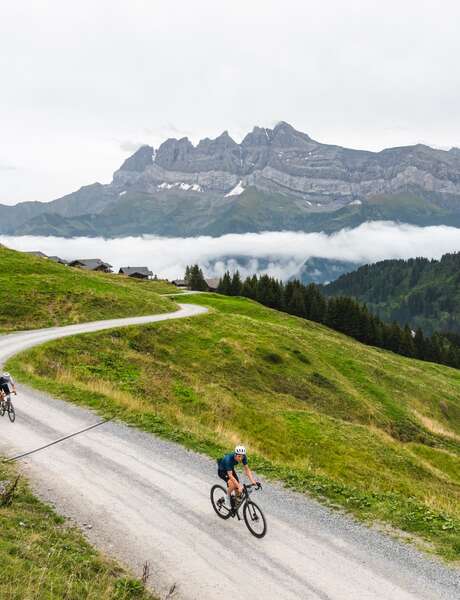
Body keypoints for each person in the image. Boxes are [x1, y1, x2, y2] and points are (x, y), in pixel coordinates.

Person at [217, 445, 260, 510]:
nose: (240, 458)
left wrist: (253, 481)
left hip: (230, 469)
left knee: (238, 490)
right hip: (223, 471)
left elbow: (247, 470)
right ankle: (227, 497)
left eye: (242, 456)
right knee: (233, 484)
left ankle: (234, 505)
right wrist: (239, 486)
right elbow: (230, 475)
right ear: (235, 454)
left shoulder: (243, 457)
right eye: (239, 456)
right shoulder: (228, 459)